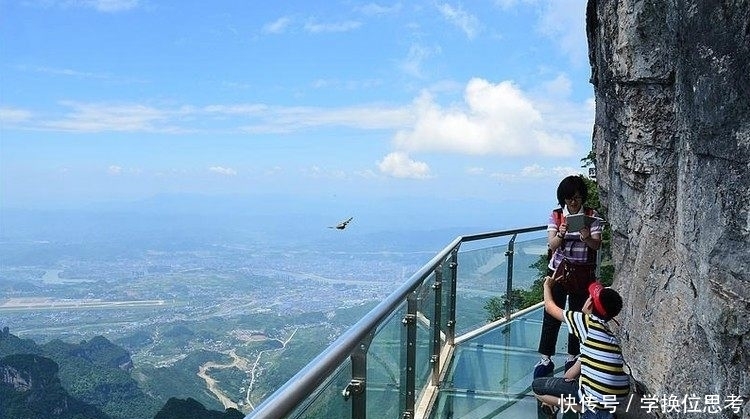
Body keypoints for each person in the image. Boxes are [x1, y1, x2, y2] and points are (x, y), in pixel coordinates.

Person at [534, 175, 603, 378]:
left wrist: (587, 236)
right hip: (559, 272)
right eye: (569, 198)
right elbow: (552, 245)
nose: (573, 202)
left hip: (582, 273)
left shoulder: (591, 216)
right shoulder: (556, 216)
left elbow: (597, 245)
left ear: (582, 197)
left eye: (577, 197)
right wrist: (561, 234)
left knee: (577, 315)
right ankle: (546, 358)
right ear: (563, 198)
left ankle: (572, 356)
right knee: (551, 315)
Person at [532, 277, 629, 418]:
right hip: (617, 397)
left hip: (595, 396)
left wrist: (547, 286)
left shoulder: (586, 322)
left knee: (537, 388)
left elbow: (550, 307)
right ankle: (556, 404)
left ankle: (584, 409)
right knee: (572, 377)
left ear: (589, 304)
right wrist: (562, 384)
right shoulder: (607, 335)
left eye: (589, 297)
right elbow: (576, 367)